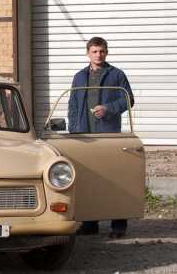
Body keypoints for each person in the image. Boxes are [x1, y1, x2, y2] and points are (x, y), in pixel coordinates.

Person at [68, 36, 134, 238]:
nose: (98, 55)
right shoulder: (79, 77)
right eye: (95, 51)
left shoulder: (116, 75)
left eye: (102, 51)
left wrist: (108, 109)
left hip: (108, 135)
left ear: (107, 52)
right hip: (85, 136)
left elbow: (128, 99)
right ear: (88, 53)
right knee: (88, 180)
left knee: (115, 179)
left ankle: (118, 226)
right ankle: (90, 224)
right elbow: (72, 105)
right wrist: (73, 130)